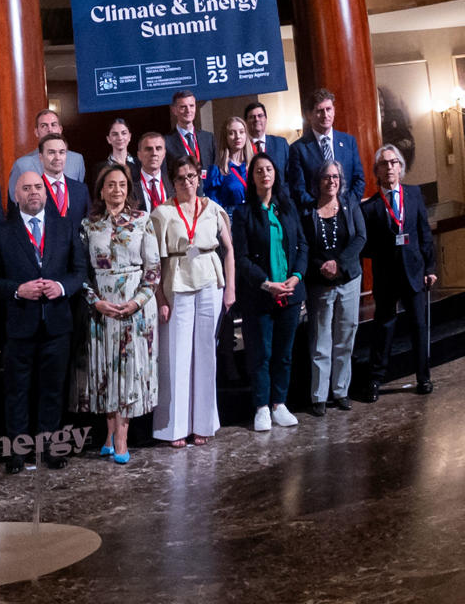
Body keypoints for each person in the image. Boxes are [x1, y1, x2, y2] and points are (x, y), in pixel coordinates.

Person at [0, 169, 89, 472]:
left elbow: (79, 271)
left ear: (46, 193)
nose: (33, 192)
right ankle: (18, 451)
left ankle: (50, 447)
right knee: (17, 390)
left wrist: (61, 288)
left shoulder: (65, 226)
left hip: (57, 323)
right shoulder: (1, 231)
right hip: (20, 324)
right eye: (26, 188)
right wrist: (18, 290)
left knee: (52, 389)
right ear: (15, 195)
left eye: (38, 187)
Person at [73, 162, 160, 464]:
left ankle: (121, 438)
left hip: (135, 308)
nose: (117, 190)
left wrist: (136, 302)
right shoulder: (89, 225)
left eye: (122, 185)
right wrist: (95, 301)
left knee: (128, 374)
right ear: (101, 190)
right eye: (111, 184)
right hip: (101, 309)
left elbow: (153, 270)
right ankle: (110, 434)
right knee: (108, 375)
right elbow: (81, 272)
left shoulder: (142, 220)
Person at [151, 156, 234, 446]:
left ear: (199, 177)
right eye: (180, 178)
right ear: (171, 182)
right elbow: (154, 262)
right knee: (177, 356)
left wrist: (230, 287)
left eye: (191, 176)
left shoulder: (213, 208)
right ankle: (174, 428)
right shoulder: (161, 213)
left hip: (209, 281)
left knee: (205, 354)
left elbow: (229, 249)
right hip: (177, 283)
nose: (186, 182)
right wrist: (160, 296)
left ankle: (203, 424)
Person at [231, 153, 305, 432]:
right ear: (252, 176)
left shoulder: (287, 208)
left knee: (284, 353)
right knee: (260, 353)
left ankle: (279, 403)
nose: (265, 174)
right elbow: (242, 257)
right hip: (259, 294)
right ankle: (261, 406)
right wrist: (266, 283)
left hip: (290, 292)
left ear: (276, 174)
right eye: (259, 170)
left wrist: (296, 277)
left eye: (269, 169)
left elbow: (303, 247)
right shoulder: (243, 213)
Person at [358, 145, 437, 400]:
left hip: (414, 272)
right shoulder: (369, 207)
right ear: (376, 171)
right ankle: (375, 381)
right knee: (384, 328)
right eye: (384, 164)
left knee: (418, 326)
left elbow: (424, 233)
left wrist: (430, 267)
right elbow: (365, 246)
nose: (389, 167)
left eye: (394, 162)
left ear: (400, 168)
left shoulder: (414, 195)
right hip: (386, 276)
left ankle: (423, 377)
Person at [301, 159, 367, 416]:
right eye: (326, 177)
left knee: (346, 335)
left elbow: (361, 237)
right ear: (317, 182)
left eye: (335, 177)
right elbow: (304, 244)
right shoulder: (308, 211)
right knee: (320, 340)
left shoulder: (349, 205)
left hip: (349, 279)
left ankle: (341, 391)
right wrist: (323, 266)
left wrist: (339, 263)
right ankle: (319, 396)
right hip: (320, 283)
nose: (331, 182)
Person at [286, 88, 364, 209]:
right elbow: (298, 189)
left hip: (349, 213)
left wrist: (346, 206)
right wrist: (322, 209)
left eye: (328, 109)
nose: (325, 115)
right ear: (309, 115)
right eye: (320, 111)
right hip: (316, 215)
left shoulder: (349, 142)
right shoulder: (298, 148)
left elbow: (359, 180)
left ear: (334, 111)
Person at [10, 108, 87, 184]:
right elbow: (15, 195)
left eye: (53, 125)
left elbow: (79, 192)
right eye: (44, 126)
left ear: (60, 129)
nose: (50, 129)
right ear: (36, 132)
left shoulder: (77, 160)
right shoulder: (22, 164)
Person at [33, 135, 90, 227]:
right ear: (41, 157)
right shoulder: (33, 190)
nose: (57, 157)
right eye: (51, 152)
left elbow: (88, 225)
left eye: (61, 152)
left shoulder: (81, 190)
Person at [204, 114, 253, 212]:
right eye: (232, 133)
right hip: (232, 221)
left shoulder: (255, 166)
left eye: (241, 132)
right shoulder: (217, 171)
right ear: (225, 137)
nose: (237, 136)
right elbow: (214, 208)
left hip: (256, 219)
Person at [168, 90, 215, 171]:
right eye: (183, 107)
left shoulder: (208, 138)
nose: (188, 110)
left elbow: (214, 168)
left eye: (191, 106)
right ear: (174, 110)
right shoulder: (167, 142)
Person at [244, 101, 290, 171]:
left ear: (266, 119)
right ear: (246, 122)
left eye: (260, 116)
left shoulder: (281, 144)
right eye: (252, 117)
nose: (256, 119)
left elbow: (291, 173)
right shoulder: (242, 147)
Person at [136, 133, 171, 211]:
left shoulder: (173, 183)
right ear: (139, 155)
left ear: (164, 153)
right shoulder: (130, 185)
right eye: (148, 149)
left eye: (158, 148)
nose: (154, 153)